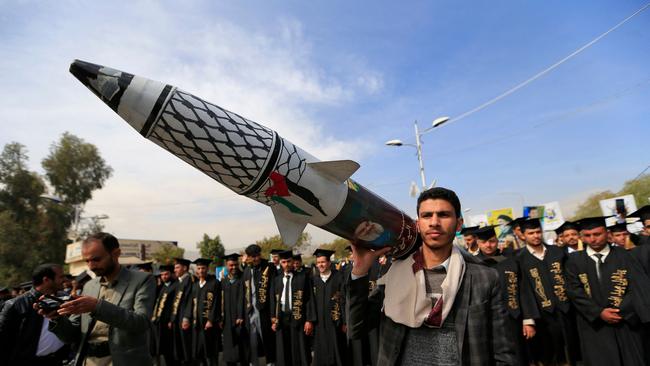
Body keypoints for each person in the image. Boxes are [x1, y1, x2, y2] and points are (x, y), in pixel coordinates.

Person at [348, 187, 516, 365]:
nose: (434, 222)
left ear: (459, 224)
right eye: (427, 215)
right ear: (418, 224)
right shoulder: (395, 273)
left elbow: (503, 351)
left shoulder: (484, 278)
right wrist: (359, 270)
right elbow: (357, 328)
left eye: (443, 215)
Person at [39, 232, 156, 365]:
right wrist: (56, 318)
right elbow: (71, 336)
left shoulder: (142, 280)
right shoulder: (89, 286)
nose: (91, 266)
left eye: (96, 259)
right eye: (87, 261)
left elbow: (141, 323)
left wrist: (97, 307)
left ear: (116, 254)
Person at [565, 216, 650, 365]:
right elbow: (574, 291)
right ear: (582, 237)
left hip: (626, 321)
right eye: (587, 235)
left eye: (597, 234)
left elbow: (637, 287)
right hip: (594, 325)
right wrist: (599, 312)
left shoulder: (626, 256)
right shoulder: (574, 261)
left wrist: (620, 310)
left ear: (607, 234)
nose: (593, 239)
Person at [516, 218, 575, 365]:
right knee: (549, 354)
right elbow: (522, 291)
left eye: (538, 232)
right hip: (541, 315)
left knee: (572, 350)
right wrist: (528, 319)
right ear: (523, 235)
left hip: (566, 310)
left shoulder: (558, 252)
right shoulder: (519, 259)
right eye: (531, 233)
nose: (536, 236)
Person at [474, 226, 529, 365]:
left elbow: (524, 290)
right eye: (484, 242)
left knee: (519, 356)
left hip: (514, 317)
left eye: (492, 241)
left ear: (497, 240)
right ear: (478, 243)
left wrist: (528, 319)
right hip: (487, 320)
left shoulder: (510, 260)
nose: (488, 245)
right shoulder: (473, 264)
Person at [0, 263, 68, 365]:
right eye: (61, 277)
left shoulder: (64, 299)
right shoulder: (15, 305)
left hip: (58, 361)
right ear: (46, 280)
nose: (65, 280)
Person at [270, 250, 316, 366]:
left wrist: (309, 320)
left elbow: (309, 299)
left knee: (300, 348)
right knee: (284, 349)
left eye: (289, 261)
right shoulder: (277, 280)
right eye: (284, 262)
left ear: (293, 261)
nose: (287, 264)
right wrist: (273, 318)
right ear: (281, 263)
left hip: (298, 316)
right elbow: (273, 300)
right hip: (282, 318)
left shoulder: (303, 278)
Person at [242, 244, 277, 365]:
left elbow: (273, 293)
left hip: (264, 310)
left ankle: (271, 363)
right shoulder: (247, 270)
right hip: (250, 310)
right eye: (253, 256)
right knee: (252, 342)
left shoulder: (269, 267)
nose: (256, 258)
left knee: (267, 339)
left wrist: (273, 314)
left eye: (257, 255)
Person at [311, 249, 347, 366]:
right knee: (321, 348)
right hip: (319, 322)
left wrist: (345, 321)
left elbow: (344, 301)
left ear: (329, 263)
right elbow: (310, 301)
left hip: (335, 321)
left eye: (323, 262)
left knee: (337, 346)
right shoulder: (314, 280)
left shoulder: (338, 277)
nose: (320, 265)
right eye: (318, 263)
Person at [186, 258, 221, 366]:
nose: (201, 271)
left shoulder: (214, 283)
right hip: (197, 325)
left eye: (203, 268)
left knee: (210, 352)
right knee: (198, 352)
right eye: (199, 268)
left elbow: (217, 303)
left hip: (209, 324)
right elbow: (191, 303)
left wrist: (211, 320)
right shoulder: (195, 285)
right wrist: (186, 318)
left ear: (208, 269)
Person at [221, 253, 246, 366]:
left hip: (241, 320)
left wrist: (241, 315)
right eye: (231, 265)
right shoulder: (224, 281)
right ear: (226, 265)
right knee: (229, 348)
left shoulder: (243, 278)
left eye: (236, 264)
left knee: (242, 350)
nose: (234, 267)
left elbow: (245, 299)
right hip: (227, 320)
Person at [170, 257, 196, 365]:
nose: (175, 270)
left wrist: (186, 318)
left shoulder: (189, 280)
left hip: (184, 318)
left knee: (186, 346)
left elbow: (190, 300)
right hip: (178, 317)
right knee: (180, 346)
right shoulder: (180, 281)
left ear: (185, 268)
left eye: (177, 267)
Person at [151, 264, 177, 366]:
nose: (164, 277)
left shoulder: (176, 286)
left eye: (166, 274)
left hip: (169, 324)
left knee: (170, 350)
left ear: (171, 274)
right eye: (162, 275)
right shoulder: (161, 287)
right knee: (163, 350)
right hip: (160, 324)